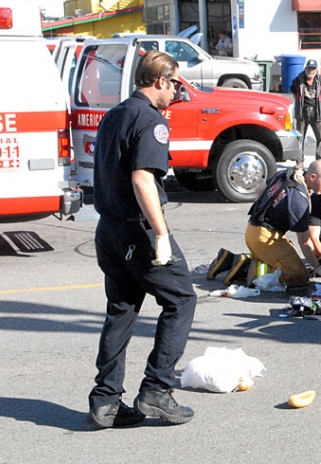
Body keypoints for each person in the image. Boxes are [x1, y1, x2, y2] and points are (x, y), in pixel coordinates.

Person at [87, 51, 197, 429]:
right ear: (161, 81)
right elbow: (142, 179)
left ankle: (105, 401)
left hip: (108, 229)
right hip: (138, 229)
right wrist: (161, 234)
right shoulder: (150, 120)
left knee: (121, 308)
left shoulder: (115, 114)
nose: (177, 92)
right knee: (181, 298)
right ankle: (157, 389)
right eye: (176, 84)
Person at [244, 160, 321, 289]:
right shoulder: (299, 200)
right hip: (264, 238)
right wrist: (319, 269)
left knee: (287, 252)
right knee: (300, 275)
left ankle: (261, 262)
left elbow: (259, 191)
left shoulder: (286, 174)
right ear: (313, 177)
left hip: (252, 229)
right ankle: (241, 267)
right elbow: (304, 241)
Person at [291, 59, 321, 160]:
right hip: (302, 113)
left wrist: (319, 107)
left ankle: (319, 160)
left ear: (316, 69)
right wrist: (300, 104)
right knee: (299, 138)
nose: (311, 70)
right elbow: (293, 91)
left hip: (316, 113)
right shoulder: (298, 80)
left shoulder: (320, 81)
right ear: (305, 68)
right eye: (309, 68)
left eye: (313, 68)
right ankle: (299, 160)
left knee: (320, 138)